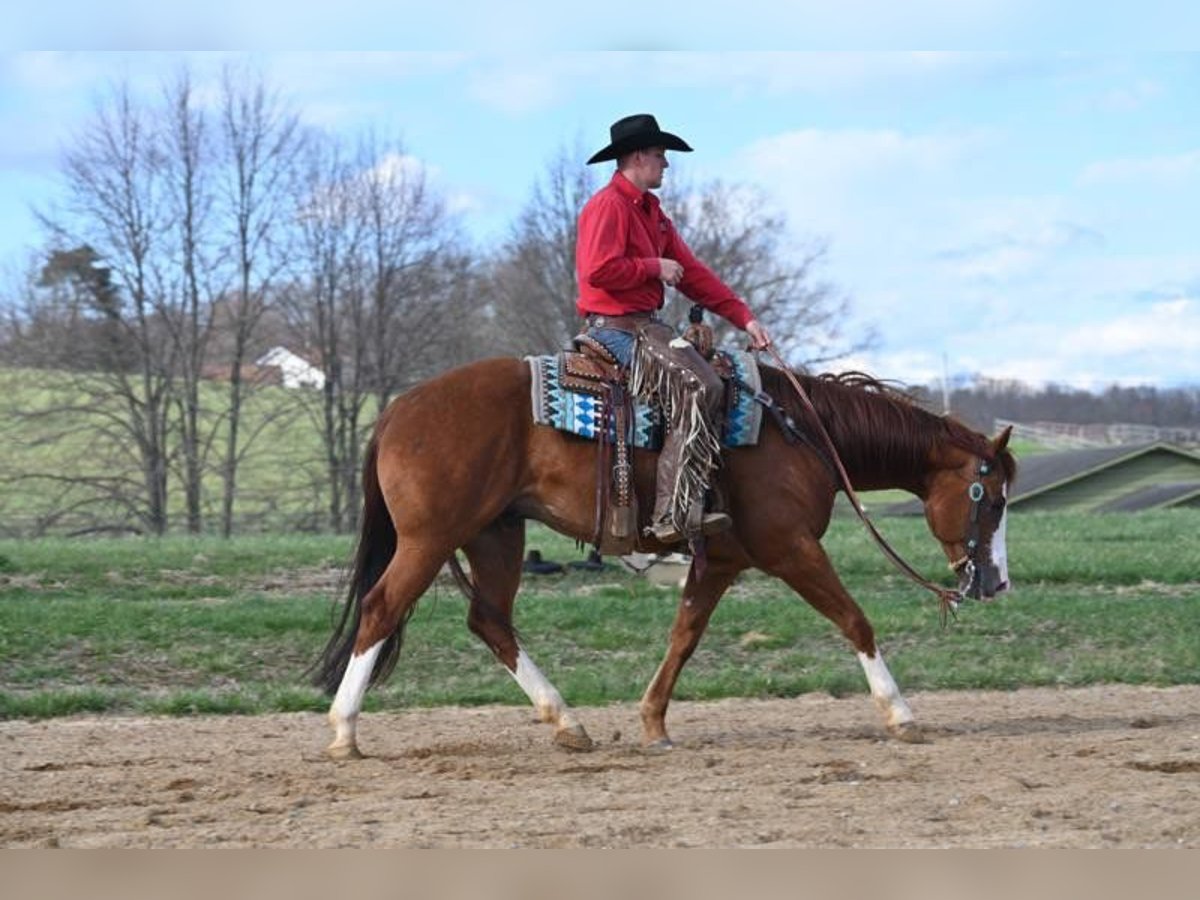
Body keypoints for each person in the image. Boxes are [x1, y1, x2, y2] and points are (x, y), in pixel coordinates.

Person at [576, 113, 772, 545]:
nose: (666, 164)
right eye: (661, 156)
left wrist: (744, 316)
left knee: (716, 375)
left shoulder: (653, 214)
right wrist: (653, 266)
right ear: (638, 156)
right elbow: (597, 271)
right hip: (618, 330)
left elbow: (694, 273)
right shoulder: (607, 206)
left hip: (646, 327)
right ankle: (672, 512)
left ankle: (703, 496)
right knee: (700, 385)